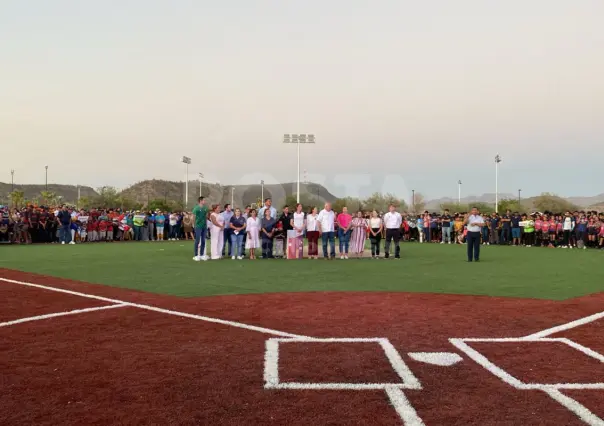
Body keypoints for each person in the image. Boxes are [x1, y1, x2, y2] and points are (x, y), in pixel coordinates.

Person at [192, 197, 209, 261]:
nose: (205, 201)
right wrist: (193, 225)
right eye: (204, 200)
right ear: (200, 201)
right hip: (198, 226)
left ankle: (202, 254)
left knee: (203, 240)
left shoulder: (205, 208)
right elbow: (193, 217)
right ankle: (196, 255)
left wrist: (206, 223)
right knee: (197, 240)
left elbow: (206, 217)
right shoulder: (196, 208)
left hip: (204, 226)